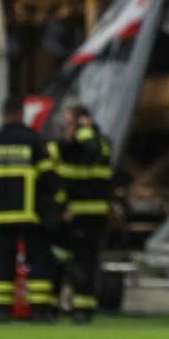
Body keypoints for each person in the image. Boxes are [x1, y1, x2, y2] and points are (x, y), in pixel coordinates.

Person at [0, 96, 61, 323]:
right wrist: (56, 207)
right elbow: (50, 180)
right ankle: (39, 311)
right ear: (20, 114)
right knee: (38, 262)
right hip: (32, 215)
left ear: (4, 114)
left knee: (2, 263)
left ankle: (0, 311)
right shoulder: (34, 142)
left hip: (0, 216)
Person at [49, 104, 113, 323]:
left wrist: (85, 131)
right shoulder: (65, 145)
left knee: (84, 262)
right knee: (62, 260)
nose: (66, 125)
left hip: (87, 215)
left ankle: (82, 308)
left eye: (70, 120)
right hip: (68, 213)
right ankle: (54, 306)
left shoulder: (97, 143)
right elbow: (56, 175)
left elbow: (93, 152)